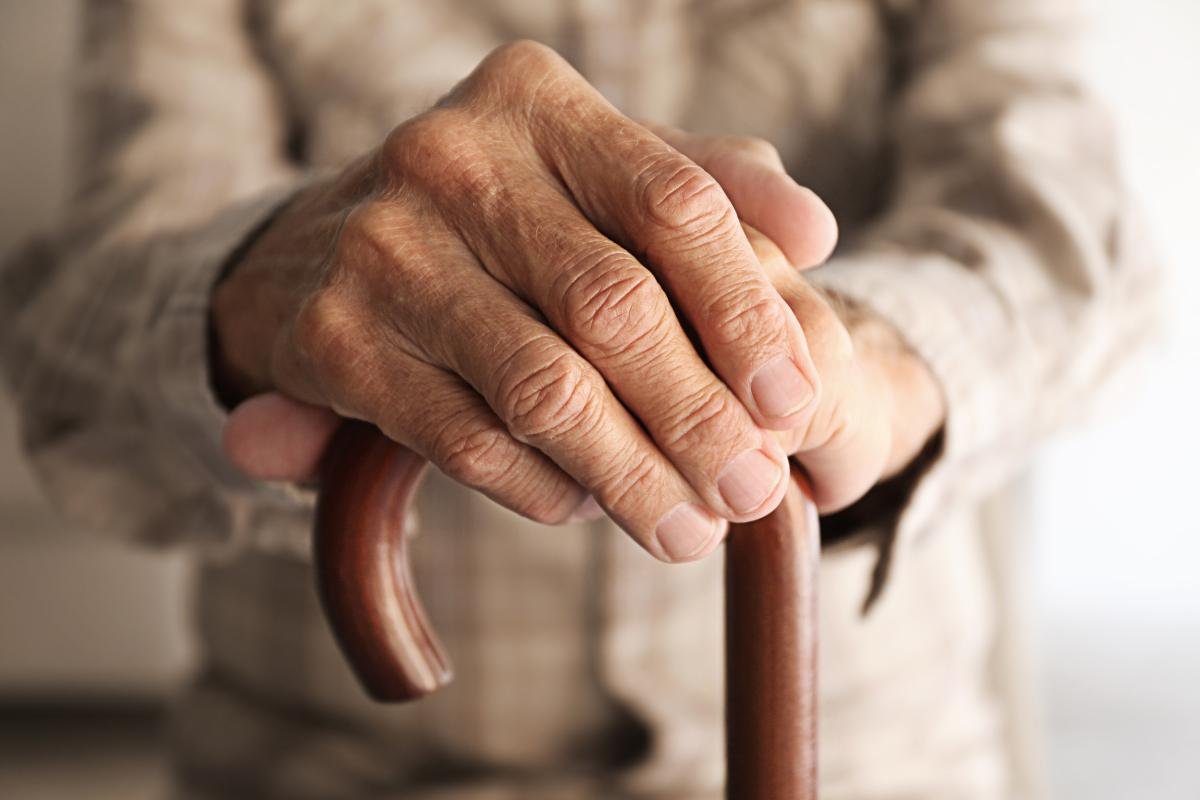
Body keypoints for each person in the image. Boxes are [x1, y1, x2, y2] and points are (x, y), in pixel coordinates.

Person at [0, 1, 1158, 798]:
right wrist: (267, 293)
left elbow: (1063, 236)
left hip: (868, 763)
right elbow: (76, 315)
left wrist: (846, 356)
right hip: (341, 772)